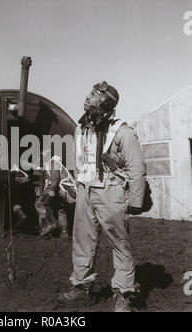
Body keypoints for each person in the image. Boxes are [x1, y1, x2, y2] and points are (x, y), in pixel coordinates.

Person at [57, 81, 146, 312]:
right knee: (82, 241)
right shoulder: (81, 128)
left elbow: (136, 168)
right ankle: (80, 286)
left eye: (92, 95)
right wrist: (78, 186)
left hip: (112, 193)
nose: (86, 98)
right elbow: (79, 159)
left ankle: (124, 293)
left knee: (120, 244)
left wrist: (136, 202)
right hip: (85, 190)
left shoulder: (123, 132)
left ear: (105, 103)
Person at [35, 151, 77, 238]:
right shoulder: (52, 163)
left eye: (41, 156)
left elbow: (55, 178)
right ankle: (64, 231)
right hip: (65, 190)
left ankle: (48, 224)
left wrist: (51, 191)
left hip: (63, 189)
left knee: (39, 204)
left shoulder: (52, 163)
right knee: (59, 208)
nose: (39, 158)